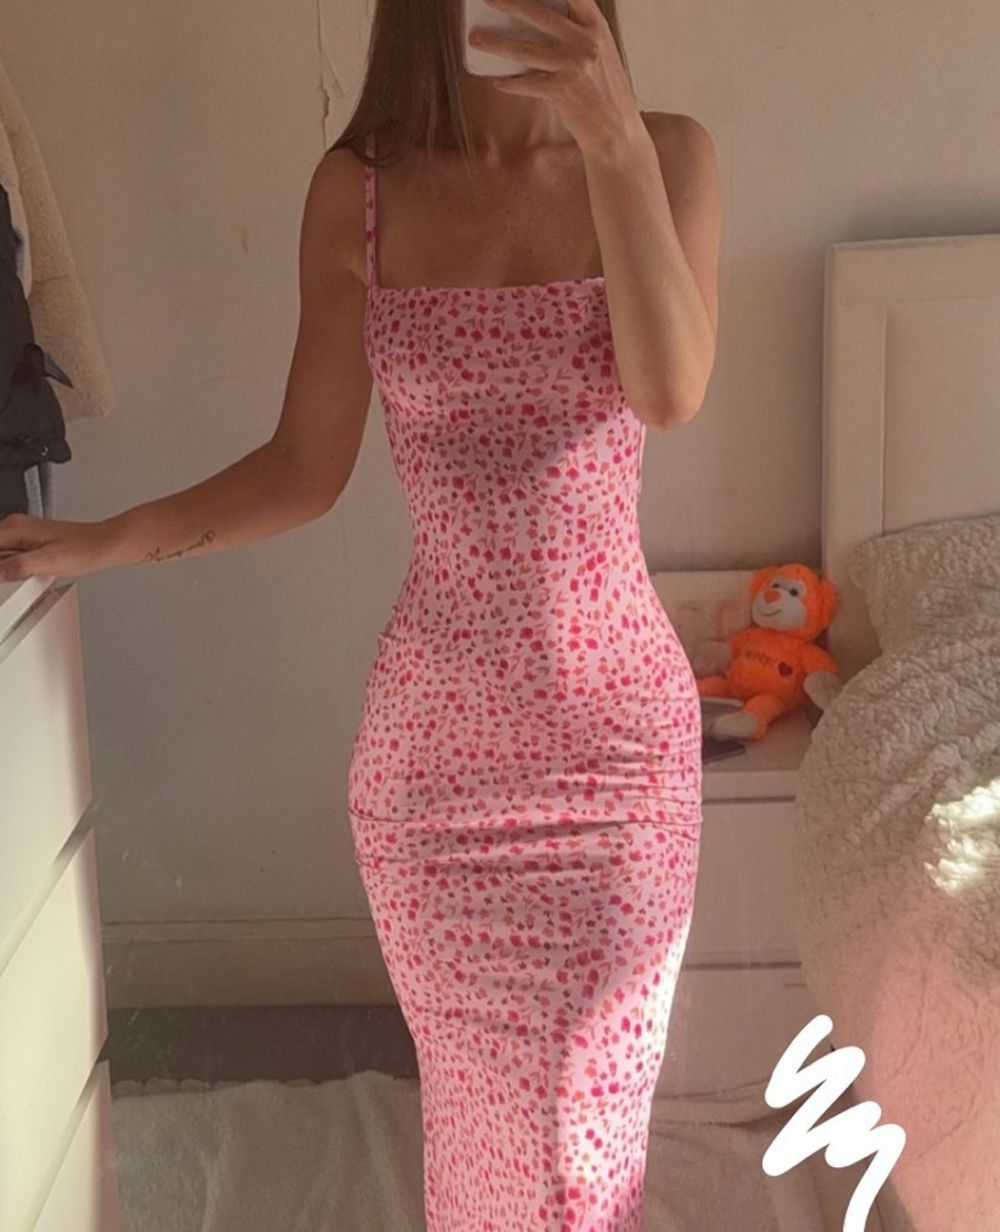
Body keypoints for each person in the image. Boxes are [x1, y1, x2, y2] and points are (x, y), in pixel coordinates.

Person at [0, 0, 721, 1226]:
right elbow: (304, 467)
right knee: (480, 1136)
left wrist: (609, 138)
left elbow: (670, 388)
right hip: (431, 777)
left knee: (580, 1146)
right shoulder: (361, 192)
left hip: (614, 765)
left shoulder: (669, 154)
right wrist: (103, 539)